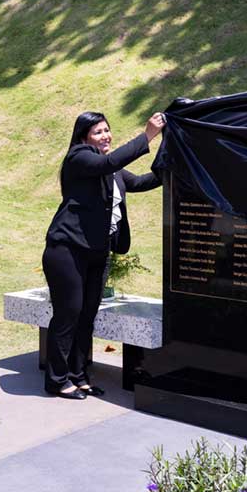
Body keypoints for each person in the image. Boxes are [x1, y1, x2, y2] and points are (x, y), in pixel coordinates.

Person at [42, 111, 164, 399]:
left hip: (98, 253)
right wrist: (147, 135)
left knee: (87, 317)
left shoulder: (111, 172)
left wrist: (171, 156)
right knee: (68, 314)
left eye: (107, 130)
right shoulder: (79, 158)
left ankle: (79, 375)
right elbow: (110, 161)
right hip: (67, 251)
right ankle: (56, 380)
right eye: (98, 132)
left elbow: (144, 182)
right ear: (84, 137)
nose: (106, 135)